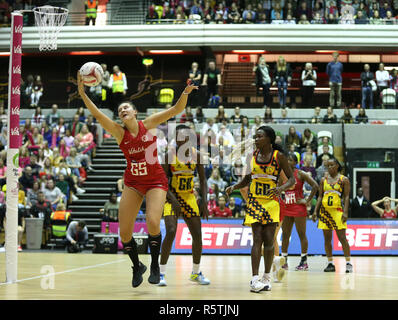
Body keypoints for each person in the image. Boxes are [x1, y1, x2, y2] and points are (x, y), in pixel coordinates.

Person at [78, 70, 197, 288]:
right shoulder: (118, 132)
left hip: (155, 182)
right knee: (124, 232)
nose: (122, 110)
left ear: (135, 112)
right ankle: (137, 266)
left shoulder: (149, 123)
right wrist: (82, 92)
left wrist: (186, 92)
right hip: (133, 182)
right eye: (120, 109)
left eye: (126, 108)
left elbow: (177, 109)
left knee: (153, 222)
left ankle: (154, 265)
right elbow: (96, 115)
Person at [226, 125, 295, 292]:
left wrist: (280, 188)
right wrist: (235, 186)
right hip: (255, 202)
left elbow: (291, 180)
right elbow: (248, 179)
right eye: (255, 137)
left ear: (269, 139)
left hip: (272, 203)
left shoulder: (279, 157)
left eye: (259, 137)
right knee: (257, 239)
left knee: (269, 240)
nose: (256, 140)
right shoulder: (252, 156)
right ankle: (254, 279)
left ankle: (266, 277)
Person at [159, 124, 210, 286]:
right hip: (171, 197)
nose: (182, 140)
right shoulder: (169, 155)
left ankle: (195, 273)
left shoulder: (197, 156)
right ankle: (160, 273)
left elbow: (202, 180)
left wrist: (205, 201)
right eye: (179, 137)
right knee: (171, 231)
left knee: (197, 235)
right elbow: (162, 181)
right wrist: (173, 200)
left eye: (185, 136)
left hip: (189, 198)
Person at [312, 158, 353, 273]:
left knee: (342, 238)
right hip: (325, 212)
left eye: (332, 165)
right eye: (328, 166)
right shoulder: (323, 180)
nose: (329, 167)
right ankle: (330, 263)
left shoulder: (343, 179)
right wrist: (315, 211)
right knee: (327, 239)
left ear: (337, 166)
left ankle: (348, 263)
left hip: (337, 211)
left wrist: (345, 212)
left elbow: (346, 197)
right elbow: (319, 197)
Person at [280, 153, 319, 271]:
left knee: (301, 234)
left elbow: (315, 186)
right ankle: (284, 260)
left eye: (290, 160)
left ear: (295, 163)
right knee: (285, 235)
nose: (288, 162)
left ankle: (304, 261)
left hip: (298, 208)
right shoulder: (282, 174)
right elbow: (277, 188)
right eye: (287, 160)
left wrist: (307, 200)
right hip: (286, 207)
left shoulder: (301, 174)